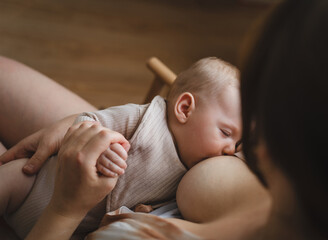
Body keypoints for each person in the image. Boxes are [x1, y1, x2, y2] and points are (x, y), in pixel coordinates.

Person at [0, 57, 243, 238]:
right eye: (225, 133)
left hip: (73, 227)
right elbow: (88, 121)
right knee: (12, 174)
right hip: (38, 187)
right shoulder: (145, 118)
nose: (230, 149)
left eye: (237, 143)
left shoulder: (190, 173)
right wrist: (102, 148)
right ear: (185, 109)